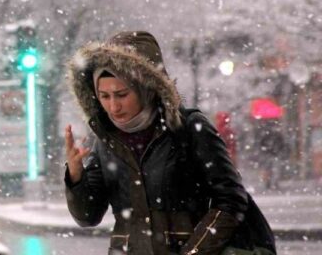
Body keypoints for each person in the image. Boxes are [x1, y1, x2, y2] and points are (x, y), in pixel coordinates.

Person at [63, 31, 275, 255]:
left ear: (146, 87)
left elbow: (231, 200)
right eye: (104, 96)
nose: (113, 107)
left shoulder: (189, 128)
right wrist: (76, 178)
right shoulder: (107, 140)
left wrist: (195, 251)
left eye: (122, 94)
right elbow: (88, 217)